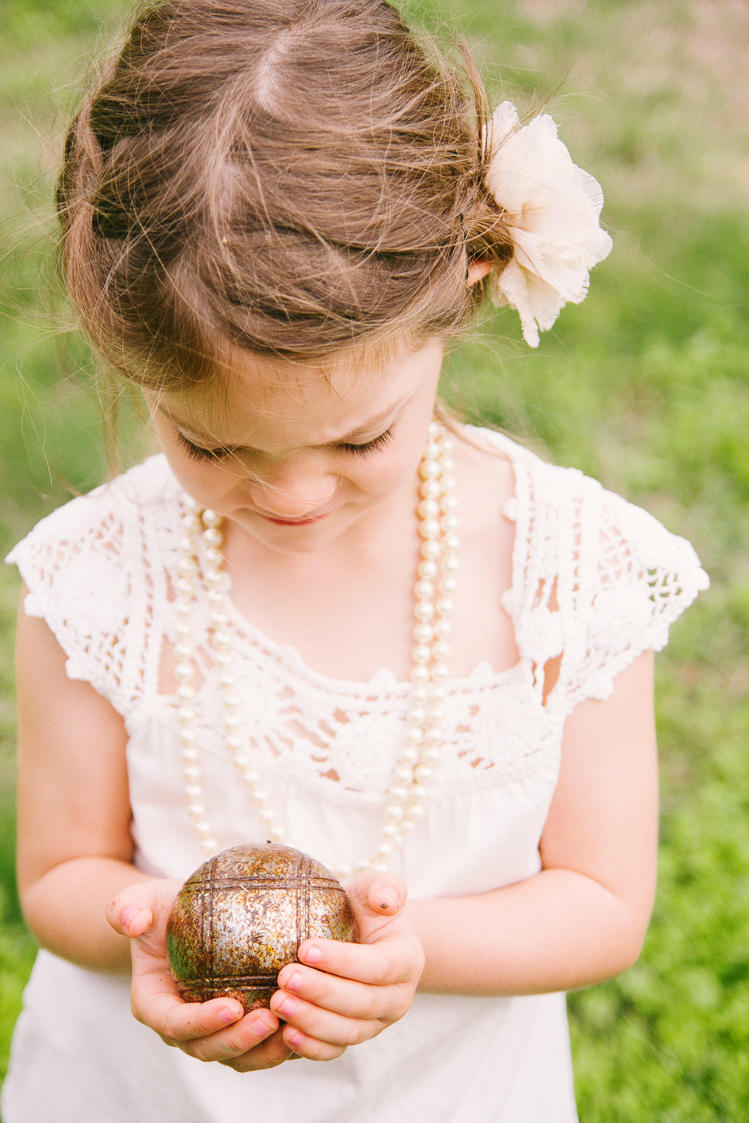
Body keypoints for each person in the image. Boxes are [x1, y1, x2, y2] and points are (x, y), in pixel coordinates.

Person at [2, 1, 709, 1120]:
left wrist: (408, 950)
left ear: (463, 289)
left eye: (359, 438)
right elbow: (58, 875)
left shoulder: (565, 575)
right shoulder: (98, 580)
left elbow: (601, 900)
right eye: (211, 442)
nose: (289, 493)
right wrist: (147, 929)